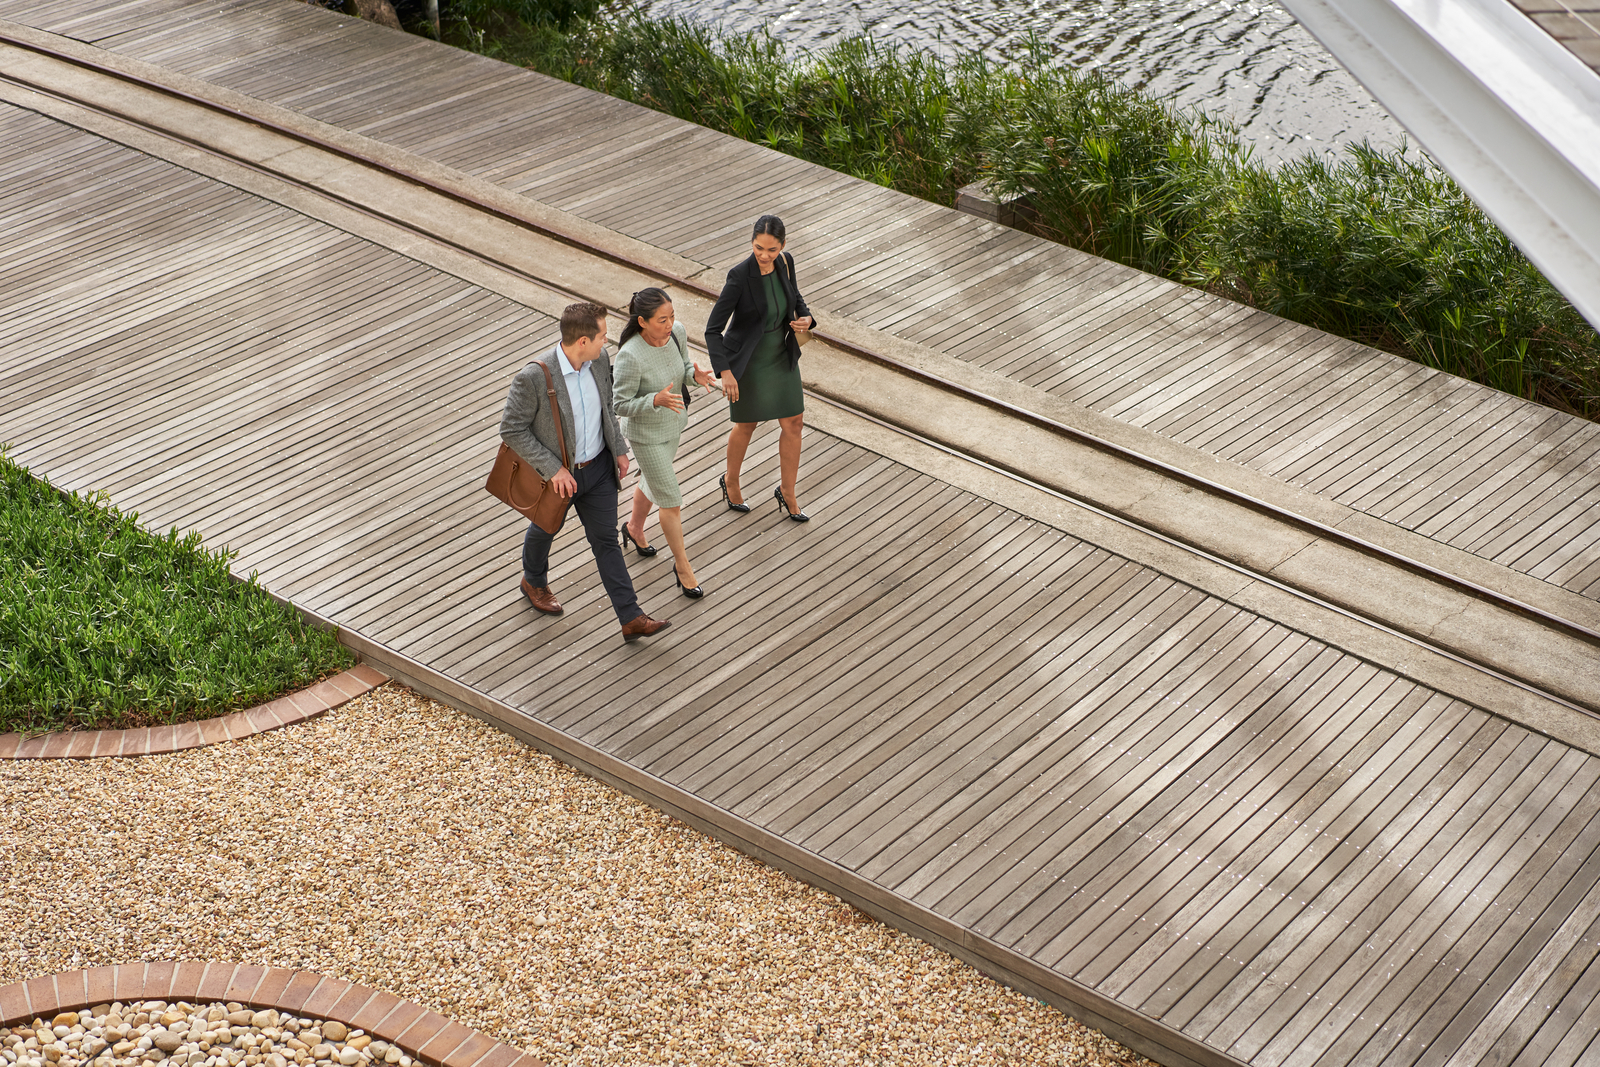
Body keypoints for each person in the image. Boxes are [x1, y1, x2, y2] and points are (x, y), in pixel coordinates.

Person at [499, 301, 671, 642]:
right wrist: (554, 469)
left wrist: (618, 449)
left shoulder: (599, 361)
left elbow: (606, 406)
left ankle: (631, 617)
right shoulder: (534, 376)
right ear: (582, 342)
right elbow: (511, 430)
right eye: (603, 336)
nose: (607, 342)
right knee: (545, 527)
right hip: (560, 478)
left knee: (606, 540)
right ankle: (533, 579)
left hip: (600, 471)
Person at [705, 214, 816, 522]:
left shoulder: (786, 262)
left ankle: (788, 492)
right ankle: (730, 481)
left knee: (794, 422)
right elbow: (712, 330)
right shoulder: (739, 276)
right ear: (751, 242)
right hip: (749, 360)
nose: (764, 256)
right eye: (758, 248)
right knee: (746, 425)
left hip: (781, 353)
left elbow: (796, 298)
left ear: (783, 246)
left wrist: (807, 318)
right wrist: (725, 372)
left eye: (771, 249)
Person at [612, 287, 720, 598]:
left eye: (672, 316)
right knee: (670, 499)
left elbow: (683, 369)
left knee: (653, 481)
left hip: (674, 426)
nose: (670, 323)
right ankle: (683, 567)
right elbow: (619, 404)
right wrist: (653, 400)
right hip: (645, 436)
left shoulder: (678, 333)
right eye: (662, 320)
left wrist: (695, 376)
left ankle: (633, 529)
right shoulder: (630, 356)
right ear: (642, 322)